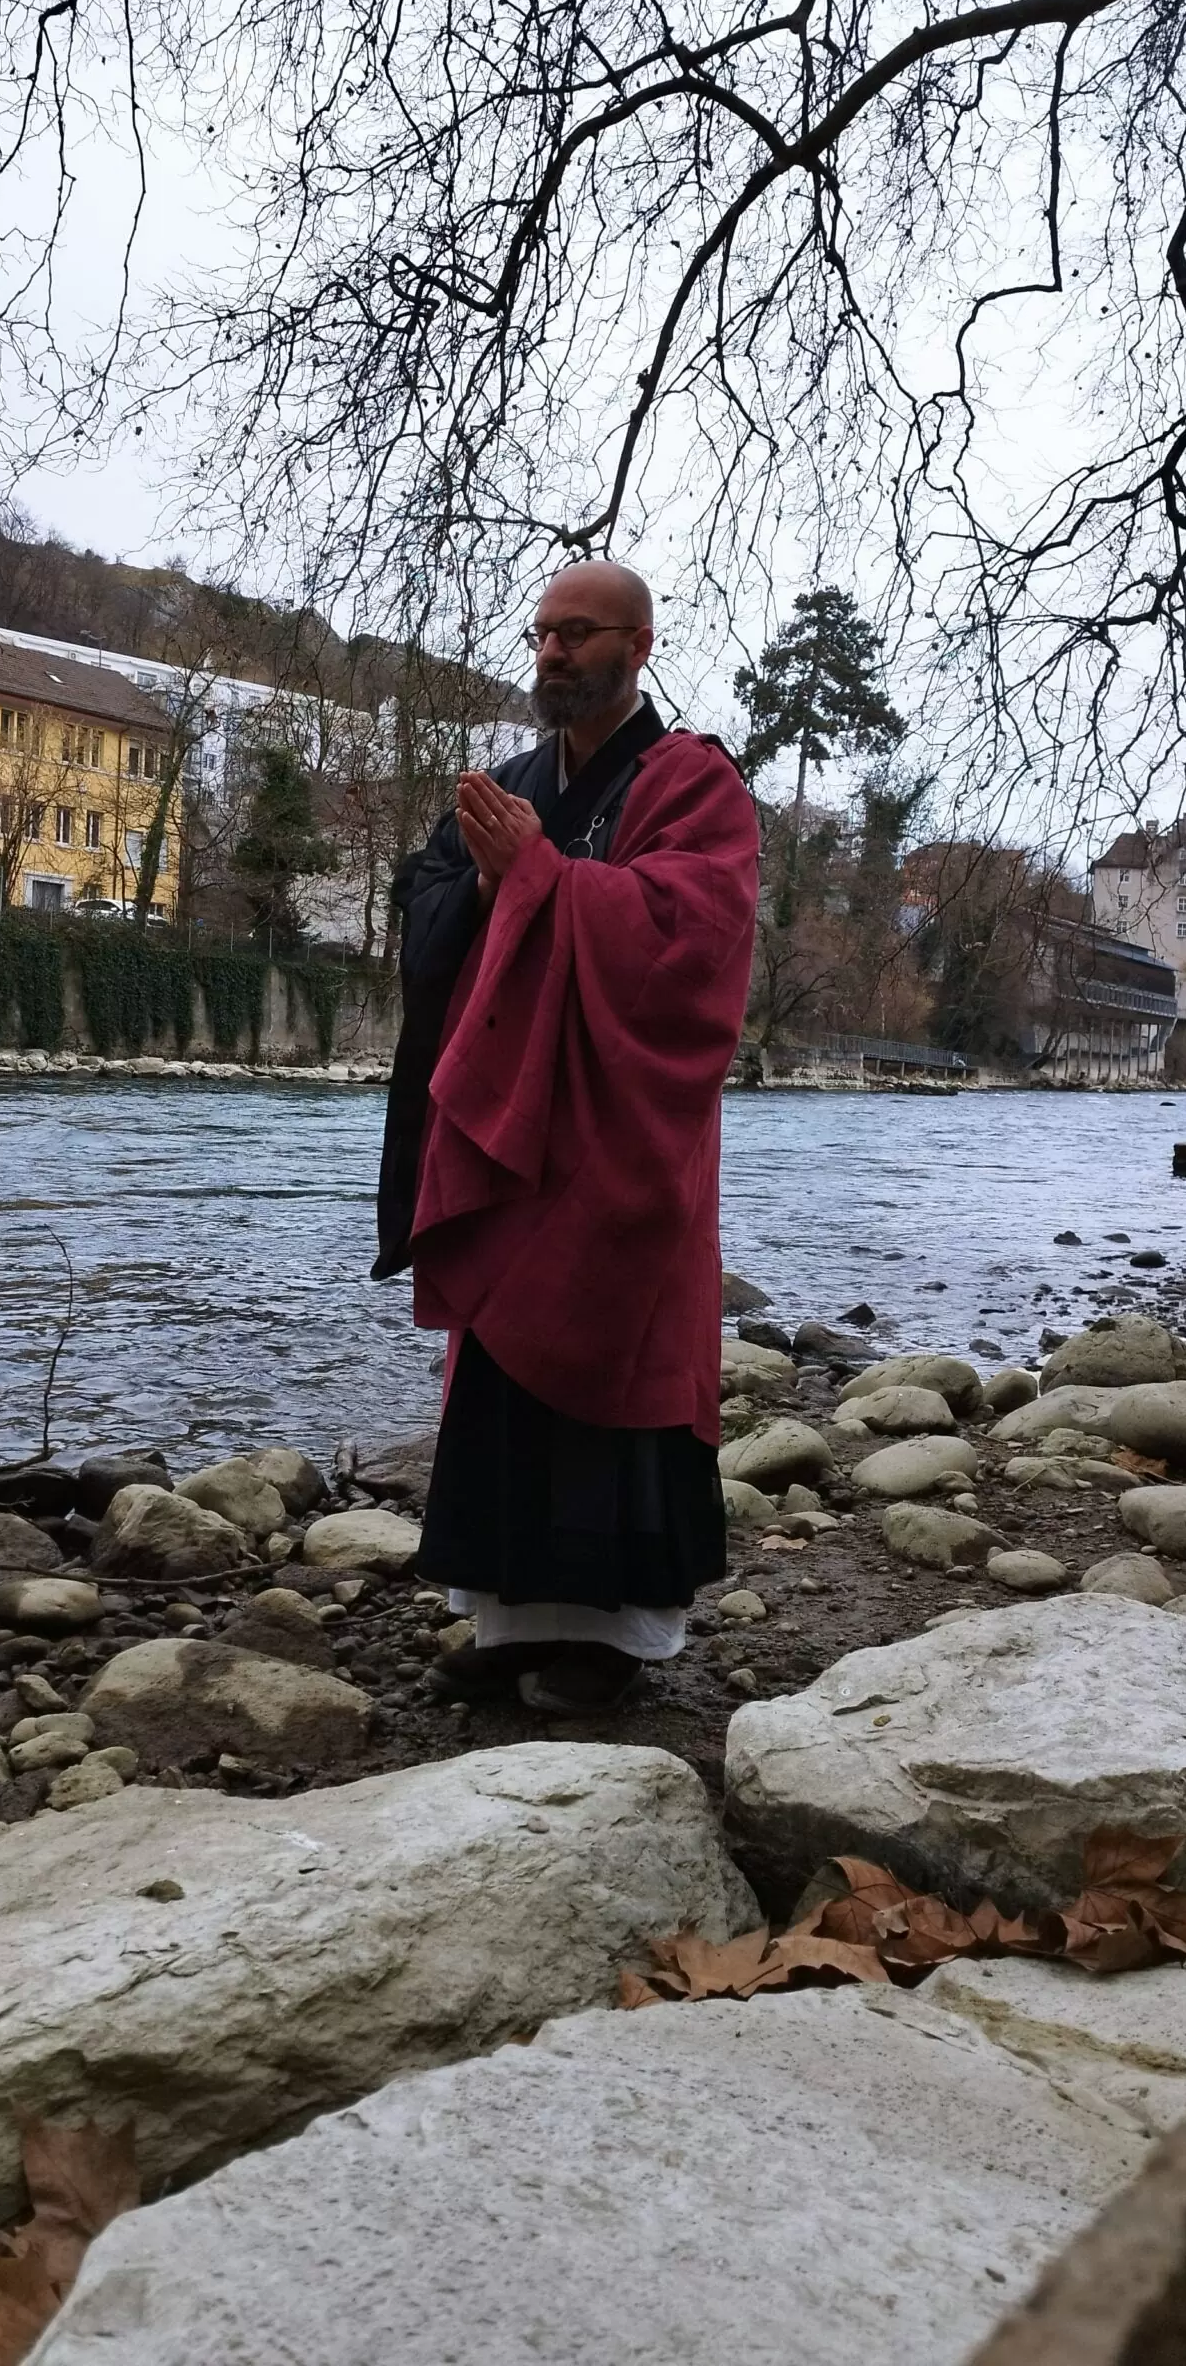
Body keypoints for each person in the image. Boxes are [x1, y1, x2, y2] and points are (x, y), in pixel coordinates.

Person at [374, 558, 760, 1714]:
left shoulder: (692, 783)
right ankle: (507, 1613)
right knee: (503, 1371)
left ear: (639, 645)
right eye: (542, 633)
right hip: (518, 1140)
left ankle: (611, 1639)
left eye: (578, 634)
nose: (551, 652)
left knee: (615, 1369)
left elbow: (692, 938)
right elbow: (427, 914)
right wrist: (496, 888)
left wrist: (541, 875)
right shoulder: (506, 784)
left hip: (619, 1141)